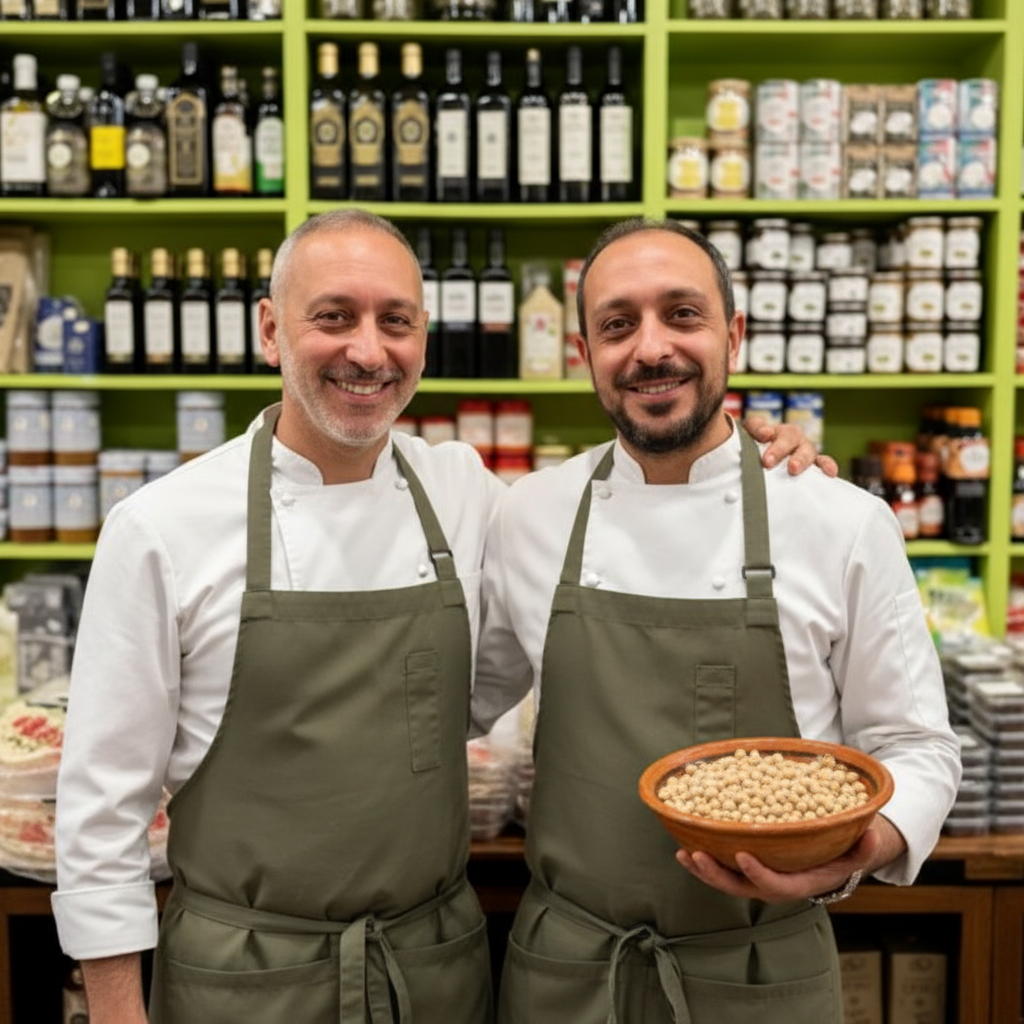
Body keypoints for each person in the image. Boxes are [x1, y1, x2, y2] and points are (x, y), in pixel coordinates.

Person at [51, 209, 826, 1024]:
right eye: (333, 317)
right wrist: (115, 1010)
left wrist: (756, 461)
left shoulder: (467, 494)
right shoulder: (160, 527)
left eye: (396, 321)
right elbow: (102, 804)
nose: (368, 350)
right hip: (245, 977)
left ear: (425, 338)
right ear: (272, 331)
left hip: (431, 972)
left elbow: (637, 517)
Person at [470, 219, 961, 1024]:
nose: (650, 348)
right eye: (617, 325)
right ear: (584, 351)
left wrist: (858, 851)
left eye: (683, 315)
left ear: (734, 332)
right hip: (568, 971)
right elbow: (465, 698)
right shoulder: (529, 514)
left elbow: (916, 746)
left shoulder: (840, 519)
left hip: (762, 972)